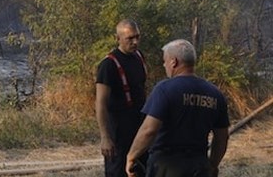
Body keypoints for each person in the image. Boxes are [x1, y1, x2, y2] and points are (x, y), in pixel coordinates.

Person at [125, 39, 230, 177]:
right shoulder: (215, 94)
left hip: (167, 165)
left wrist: (132, 156)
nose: (164, 65)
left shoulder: (164, 89)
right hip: (198, 164)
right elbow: (222, 137)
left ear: (174, 62)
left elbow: (149, 130)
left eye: (165, 61)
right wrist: (212, 164)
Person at [96, 19, 148, 177]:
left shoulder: (139, 57)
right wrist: (105, 137)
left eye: (137, 37)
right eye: (130, 38)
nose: (135, 42)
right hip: (118, 130)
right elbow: (100, 103)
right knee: (117, 172)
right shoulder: (108, 65)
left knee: (142, 170)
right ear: (117, 38)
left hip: (140, 125)